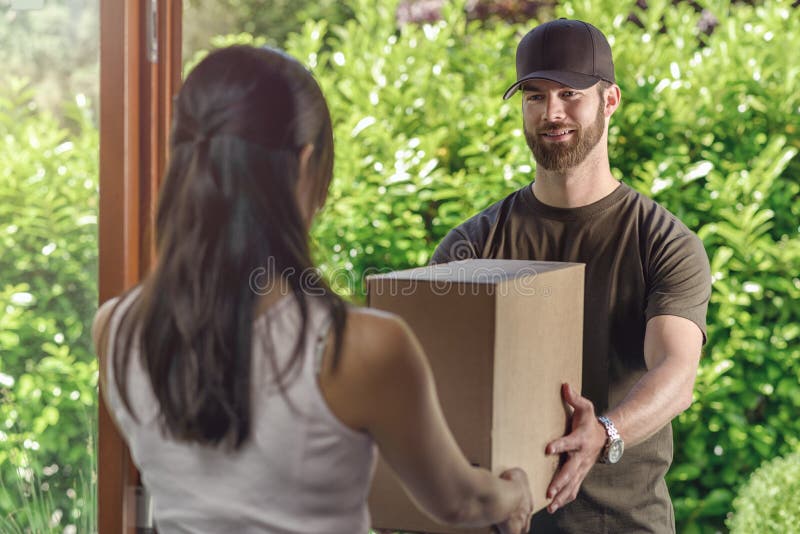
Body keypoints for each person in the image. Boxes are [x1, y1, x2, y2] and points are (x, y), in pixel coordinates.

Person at [92, 45, 533, 534]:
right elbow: (460, 502)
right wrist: (514, 492)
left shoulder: (116, 328)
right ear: (305, 164)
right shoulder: (359, 347)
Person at [431, 19, 711, 534]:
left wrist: (604, 432)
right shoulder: (470, 246)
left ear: (609, 101)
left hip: (623, 524)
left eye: (570, 94)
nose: (551, 112)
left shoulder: (663, 242)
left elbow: (676, 373)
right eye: (534, 96)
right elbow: (432, 383)